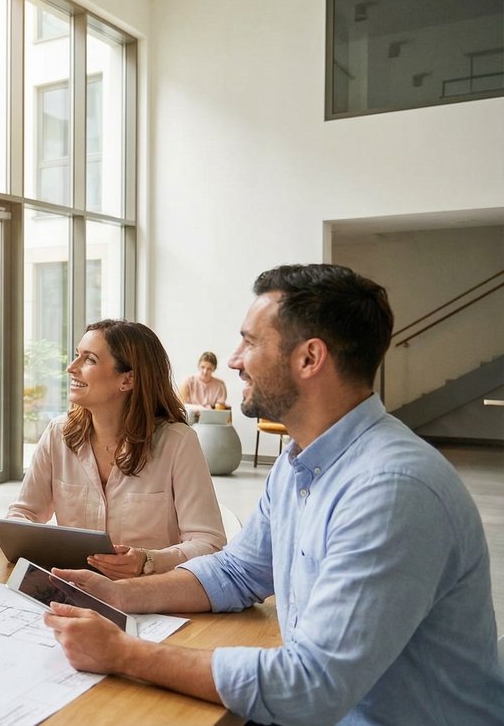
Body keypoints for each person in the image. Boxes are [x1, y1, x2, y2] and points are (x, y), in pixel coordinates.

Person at [43, 264, 503, 724]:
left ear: (309, 358)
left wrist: (126, 654)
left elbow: (309, 685)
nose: (234, 359)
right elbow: (238, 570)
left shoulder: (392, 491)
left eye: (250, 341)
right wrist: (119, 595)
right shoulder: (298, 463)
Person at [6, 320, 226, 579]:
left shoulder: (178, 443)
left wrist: (150, 560)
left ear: (128, 379)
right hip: (77, 589)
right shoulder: (58, 434)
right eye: (77, 356)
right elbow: (22, 514)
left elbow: (209, 544)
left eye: (89, 360)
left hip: (150, 596)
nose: (71, 368)